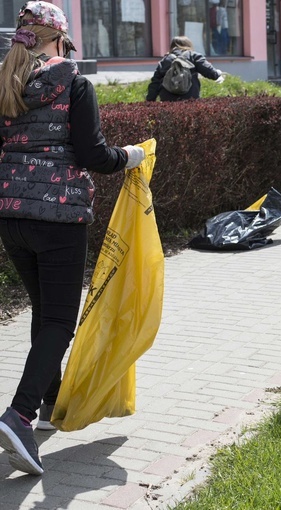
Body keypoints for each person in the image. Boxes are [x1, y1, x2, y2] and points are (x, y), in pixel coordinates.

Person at [0, 1, 146, 476]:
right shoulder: (75, 83)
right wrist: (131, 156)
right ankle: (18, 416)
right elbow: (93, 154)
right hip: (59, 218)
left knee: (44, 312)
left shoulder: (6, 82)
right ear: (60, 39)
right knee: (61, 321)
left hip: (11, 216)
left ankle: (48, 405)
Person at [146, 36, 225, 102]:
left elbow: (155, 83)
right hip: (190, 98)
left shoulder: (165, 60)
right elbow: (207, 69)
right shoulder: (193, 56)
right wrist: (216, 75)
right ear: (188, 45)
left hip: (167, 99)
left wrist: (150, 101)